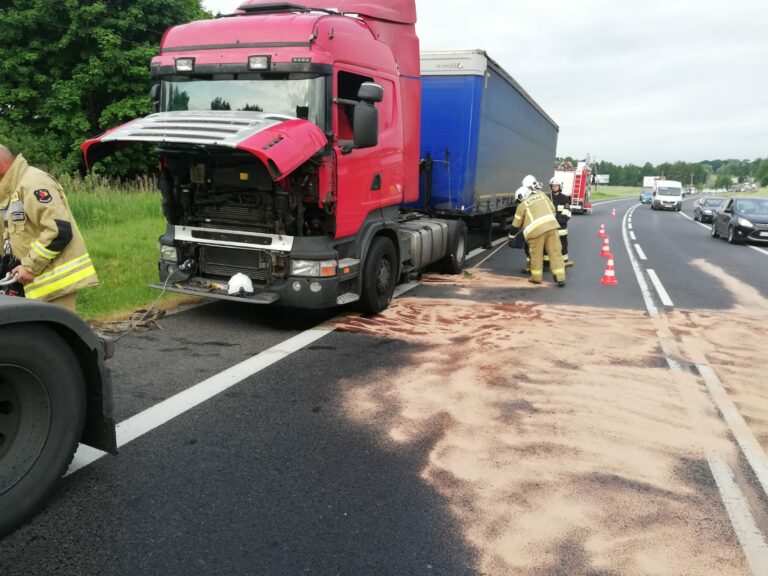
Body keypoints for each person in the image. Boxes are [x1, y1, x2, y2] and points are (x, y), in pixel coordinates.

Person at [0, 145, 98, 311]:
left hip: (53, 284)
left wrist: (30, 266)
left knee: (54, 337)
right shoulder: (8, 190)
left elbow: (58, 231)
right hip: (27, 283)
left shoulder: (33, 183)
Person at [509, 177, 566, 286]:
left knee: (536, 255)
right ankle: (560, 277)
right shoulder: (542, 195)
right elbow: (553, 210)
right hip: (552, 227)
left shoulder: (522, 205)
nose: (517, 203)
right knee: (555, 253)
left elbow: (515, 225)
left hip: (536, 233)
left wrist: (511, 238)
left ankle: (536, 278)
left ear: (520, 197)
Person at [549, 177, 574, 268]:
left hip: (561, 228)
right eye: (553, 186)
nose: (554, 187)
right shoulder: (548, 198)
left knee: (563, 246)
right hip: (549, 227)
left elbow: (567, 213)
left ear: (560, 186)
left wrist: (557, 220)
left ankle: (564, 262)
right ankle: (547, 264)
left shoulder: (564, 198)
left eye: (556, 186)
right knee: (548, 246)